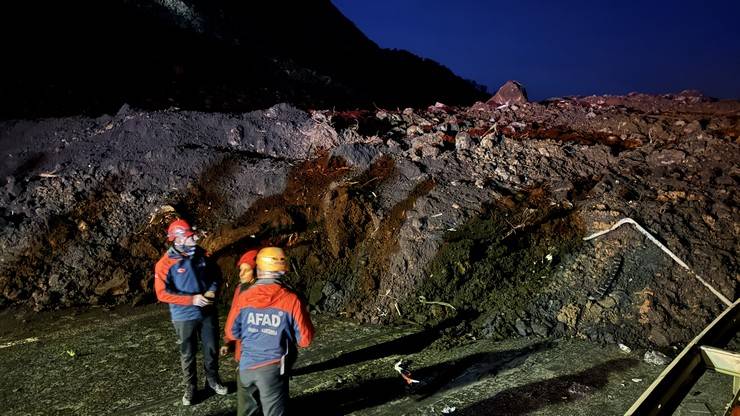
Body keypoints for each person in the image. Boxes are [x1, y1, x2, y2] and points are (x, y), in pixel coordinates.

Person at [226, 247, 315, 416]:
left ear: (258, 269)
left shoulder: (244, 296)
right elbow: (305, 340)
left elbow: (232, 332)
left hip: (245, 368)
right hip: (271, 370)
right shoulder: (291, 300)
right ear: (282, 271)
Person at [154, 219, 227, 406]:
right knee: (188, 353)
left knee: (211, 349)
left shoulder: (202, 255)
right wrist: (191, 300)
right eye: (189, 235)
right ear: (178, 240)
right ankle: (191, 387)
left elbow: (216, 276)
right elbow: (161, 293)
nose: (195, 237)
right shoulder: (165, 264)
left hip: (207, 312)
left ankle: (212, 381)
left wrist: (212, 290)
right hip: (184, 316)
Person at [222, 249, 261, 412]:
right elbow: (234, 315)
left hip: (255, 355)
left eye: (246, 270)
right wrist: (228, 341)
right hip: (242, 351)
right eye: (240, 270)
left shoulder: (262, 293)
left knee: (250, 400)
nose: (241, 273)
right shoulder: (240, 289)